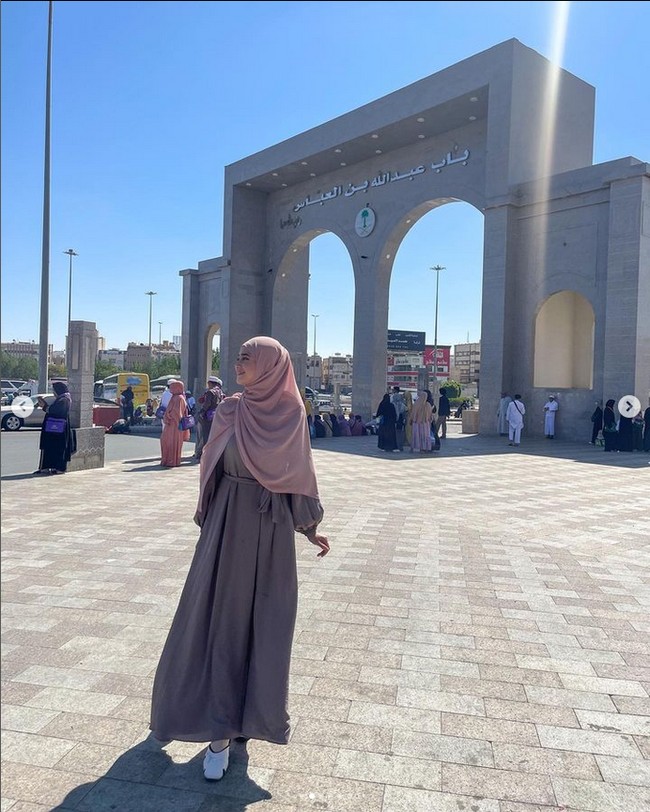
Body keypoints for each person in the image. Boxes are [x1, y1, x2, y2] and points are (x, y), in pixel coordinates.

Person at [150, 336, 329, 781]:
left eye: (249, 358)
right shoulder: (230, 407)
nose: (239, 363)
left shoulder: (290, 414)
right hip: (227, 527)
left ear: (270, 366)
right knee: (219, 621)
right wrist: (209, 515)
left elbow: (299, 474)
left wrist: (309, 527)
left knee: (265, 624)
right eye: (238, 357)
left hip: (268, 532)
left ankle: (248, 720)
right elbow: (211, 460)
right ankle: (218, 729)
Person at [34, 382, 76, 475]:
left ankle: (59, 468)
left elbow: (56, 411)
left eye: (54, 390)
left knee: (58, 449)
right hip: (54, 429)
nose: (53, 393)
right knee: (50, 447)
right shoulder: (62, 398)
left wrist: (44, 406)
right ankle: (47, 467)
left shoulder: (64, 400)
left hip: (57, 429)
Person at [160, 380, 190, 468]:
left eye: (172, 387)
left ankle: (172, 461)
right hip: (170, 425)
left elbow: (177, 413)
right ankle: (167, 459)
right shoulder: (175, 397)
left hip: (174, 426)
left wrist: (168, 415)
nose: (170, 389)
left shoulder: (179, 398)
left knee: (172, 443)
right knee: (165, 441)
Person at [194, 376, 223, 461]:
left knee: (204, 435)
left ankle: (201, 454)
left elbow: (207, 404)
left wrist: (201, 412)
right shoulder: (220, 392)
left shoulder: (210, 392)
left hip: (207, 416)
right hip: (215, 415)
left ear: (210, 383)